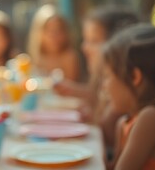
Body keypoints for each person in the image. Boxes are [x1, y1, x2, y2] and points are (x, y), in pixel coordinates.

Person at [53, 8, 140, 150]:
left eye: (93, 41)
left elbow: (104, 128)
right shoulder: (105, 86)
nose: (84, 47)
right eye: (85, 40)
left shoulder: (121, 95)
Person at [102, 24, 155, 170]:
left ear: (134, 77)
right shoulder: (125, 123)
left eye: (107, 76)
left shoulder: (151, 118)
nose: (104, 85)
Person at [27, 4, 80, 80]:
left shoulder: (69, 57)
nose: (53, 36)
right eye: (49, 30)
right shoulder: (36, 58)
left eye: (58, 30)